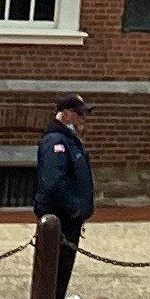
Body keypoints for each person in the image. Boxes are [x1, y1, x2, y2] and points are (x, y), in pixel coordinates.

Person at [33, 96, 96, 252]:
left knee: (63, 269)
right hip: (60, 220)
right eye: (80, 113)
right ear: (66, 113)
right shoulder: (56, 141)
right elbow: (53, 182)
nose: (84, 118)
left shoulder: (70, 141)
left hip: (69, 221)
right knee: (54, 269)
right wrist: (74, 210)